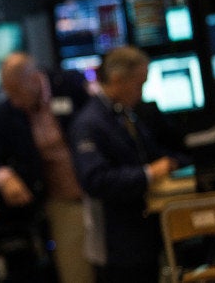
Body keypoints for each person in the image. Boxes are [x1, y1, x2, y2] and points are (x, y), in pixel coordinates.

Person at [68, 45, 191, 283]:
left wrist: (176, 161)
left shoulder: (124, 113)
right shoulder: (89, 123)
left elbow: (152, 153)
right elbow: (95, 180)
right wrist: (148, 173)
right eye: (139, 84)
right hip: (116, 244)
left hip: (142, 234)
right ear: (117, 79)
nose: (142, 93)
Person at [0, 52, 92, 282]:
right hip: (62, 201)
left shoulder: (70, 85)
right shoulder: (7, 112)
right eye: (8, 93)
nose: (13, 100)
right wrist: (5, 178)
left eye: (16, 92)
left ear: (33, 79)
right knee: (76, 274)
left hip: (100, 190)